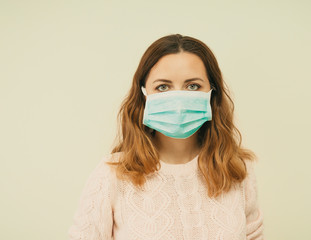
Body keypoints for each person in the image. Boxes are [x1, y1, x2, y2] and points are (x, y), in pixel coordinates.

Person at [68, 33, 264, 240]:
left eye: (193, 86)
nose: (178, 99)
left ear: (211, 93)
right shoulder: (113, 174)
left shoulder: (237, 168)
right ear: (144, 94)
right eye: (163, 87)